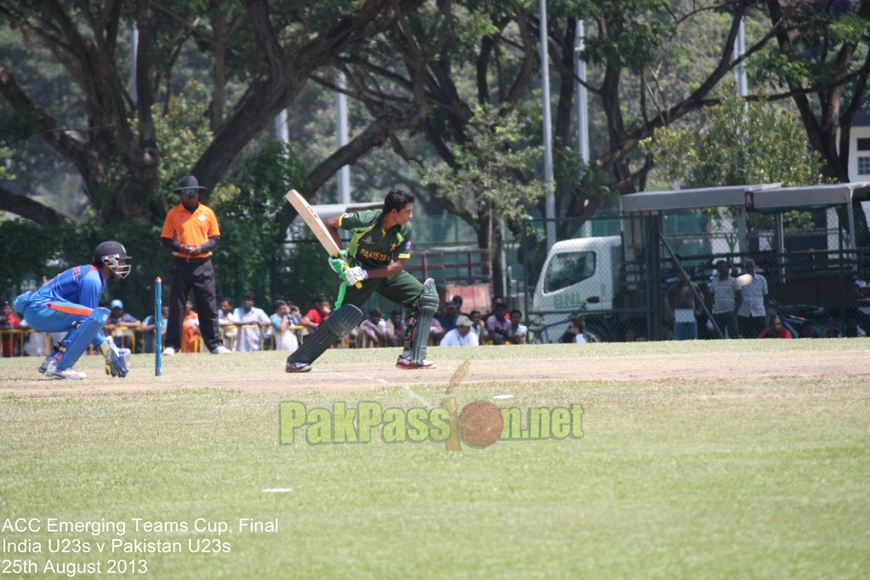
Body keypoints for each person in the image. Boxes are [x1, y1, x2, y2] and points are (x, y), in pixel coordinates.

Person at [286, 189, 438, 372]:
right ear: (393, 212)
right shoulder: (365, 220)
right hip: (356, 271)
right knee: (343, 319)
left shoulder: (404, 229)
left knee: (425, 299)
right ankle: (298, 360)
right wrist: (340, 257)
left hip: (383, 272)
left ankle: (412, 357)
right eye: (408, 211)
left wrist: (365, 273)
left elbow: (398, 266)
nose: (411, 216)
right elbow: (330, 224)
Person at [11, 241, 132, 380]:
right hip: (41, 309)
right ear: (107, 261)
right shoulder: (92, 280)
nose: (123, 265)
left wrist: (106, 346)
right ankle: (58, 365)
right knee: (95, 316)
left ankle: (53, 362)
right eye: (120, 261)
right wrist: (107, 350)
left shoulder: (93, 275)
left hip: (37, 311)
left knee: (90, 319)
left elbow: (89, 323)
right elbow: (92, 320)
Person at [160, 175, 230, 355]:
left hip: (203, 263)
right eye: (187, 192)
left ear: (198, 193)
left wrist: (201, 248)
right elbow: (166, 239)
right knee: (177, 305)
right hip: (181, 263)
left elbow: (215, 238)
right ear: (182, 194)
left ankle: (214, 344)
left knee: (208, 304)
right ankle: (172, 345)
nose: (191, 195)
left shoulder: (207, 213)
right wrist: (182, 247)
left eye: (194, 191)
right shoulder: (174, 214)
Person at [707, 260, 742, 339]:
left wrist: (735, 311)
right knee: (719, 337)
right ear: (717, 270)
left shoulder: (733, 281)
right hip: (718, 313)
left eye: (724, 267)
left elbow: (740, 298)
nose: (722, 269)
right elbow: (709, 298)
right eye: (720, 268)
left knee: (734, 336)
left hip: (730, 313)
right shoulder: (714, 282)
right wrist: (710, 313)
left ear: (727, 269)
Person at [665, 269, 703, 340]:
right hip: (679, 313)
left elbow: (701, 296)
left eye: (684, 275)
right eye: (681, 275)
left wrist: (699, 310)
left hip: (691, 312)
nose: (683, 276)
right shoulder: (674, 287)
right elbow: (666, 300)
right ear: (678, 276)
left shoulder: (693, 286)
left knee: (693, 337)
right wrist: (671, 313)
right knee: (678, 338)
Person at [736, 259, 768, 339]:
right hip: (745, 311)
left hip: (758, 310)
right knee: (747, 334)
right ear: (745, 268)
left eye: (751, 266)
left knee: (762, 333)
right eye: (747, 266)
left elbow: (765, 293)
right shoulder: (740, 280)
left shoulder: (761, 279)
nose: (749, 268)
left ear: (754, 267)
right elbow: (738, 294)